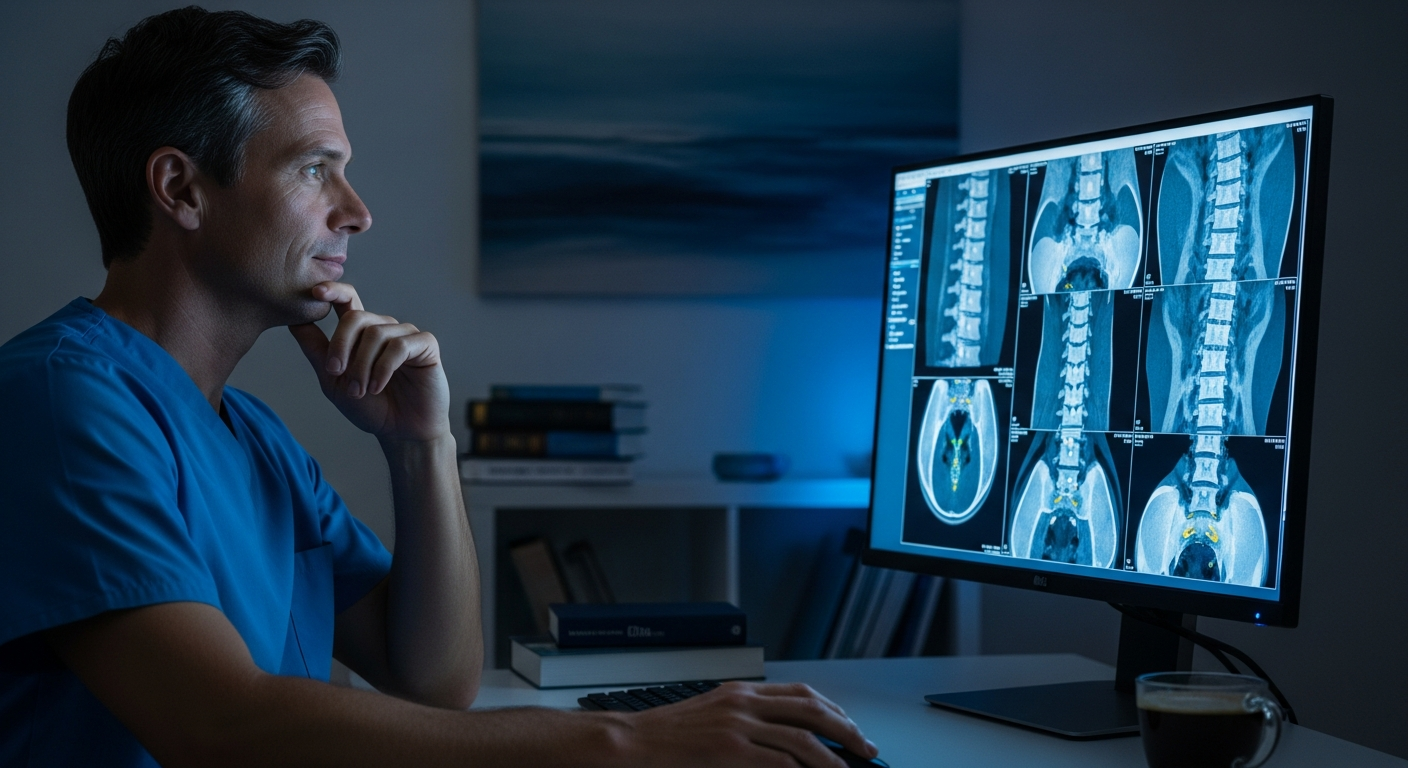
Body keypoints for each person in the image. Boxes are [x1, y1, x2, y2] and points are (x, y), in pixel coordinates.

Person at [0, 7, 880, 767]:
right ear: (180, 188)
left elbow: (435, 679)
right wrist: (631, 745)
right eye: (315, 168)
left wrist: (422, 442)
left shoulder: (253, 438)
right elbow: (223, 729)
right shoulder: (62, 404)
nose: (356, 209)